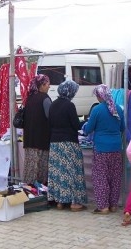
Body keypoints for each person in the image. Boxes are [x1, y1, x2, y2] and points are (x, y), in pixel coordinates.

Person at [83, 84, 125, 214]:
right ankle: (113, 205)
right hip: (116, 147)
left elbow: (89, 129)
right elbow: (122, 128)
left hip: (101, 148)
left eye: (97, 95)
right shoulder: (118, 108)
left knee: (101, 177)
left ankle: (103, 206)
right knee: (115, 177)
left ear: (101, 96)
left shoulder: (97, 110)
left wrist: (85, 128)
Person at [48, 80, 88, 211]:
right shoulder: (69, 105)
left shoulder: (53, 104)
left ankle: (60, 202)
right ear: (70, 91)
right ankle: (74, 203)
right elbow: (76, 125)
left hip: (54, 143)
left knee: (59, 172)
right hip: (68, 142)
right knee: (72, 172)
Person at [23, 74, 52, 185]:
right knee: (41, 170)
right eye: (47, 84)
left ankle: (28, 192)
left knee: (30, 169)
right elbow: (51, 117)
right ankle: (40, 194)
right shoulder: (45, 99)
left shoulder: (30, 98)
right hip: (42, 140)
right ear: (42, 85)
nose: (49, 87)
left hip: (29, 139)